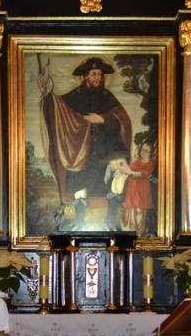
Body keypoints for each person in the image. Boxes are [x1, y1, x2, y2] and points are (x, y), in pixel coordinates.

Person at [40, 56, 133, 228]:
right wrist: (47, 96)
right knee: (79, 186)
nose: (97, 77)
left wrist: (103, 119)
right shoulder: (76, 95)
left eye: (99, 74)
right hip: (81, 152)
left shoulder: (107, 96)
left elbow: (122, 121)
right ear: (85, 76)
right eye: (93, 74)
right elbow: (59, 108)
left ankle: (110, 221)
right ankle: (78, 222)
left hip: (104, 151)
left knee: (109, 186)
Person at [123, 142, 155, 236]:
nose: (144, 152)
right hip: (132, 188)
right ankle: (132, 229)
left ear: (150, 153)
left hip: (142, 188)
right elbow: (128, 169)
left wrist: (131, 172)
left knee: (140, 210)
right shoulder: (136, 161)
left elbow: (144, 173)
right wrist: (125, 170)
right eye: (143, 149)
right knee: (132, 209)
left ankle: (140, 231)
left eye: (147, 151)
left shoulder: (151, 163)